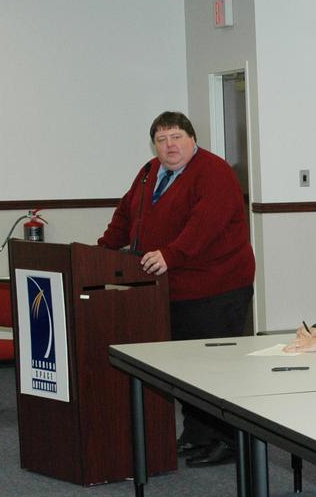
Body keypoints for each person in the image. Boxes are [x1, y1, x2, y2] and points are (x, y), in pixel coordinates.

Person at [99, 111, 255, 467]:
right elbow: (127, 214)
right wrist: (103, 250)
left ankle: (227, 439)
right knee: (187, 367)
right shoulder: (149, 172)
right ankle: (198, 433)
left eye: (176, 137)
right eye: (161, 139)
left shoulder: (214, 172)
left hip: (217, 286)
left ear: (192, 139)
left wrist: (172, 254)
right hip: (172, 287)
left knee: (215, 366)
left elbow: (206, 226)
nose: (169, 145)